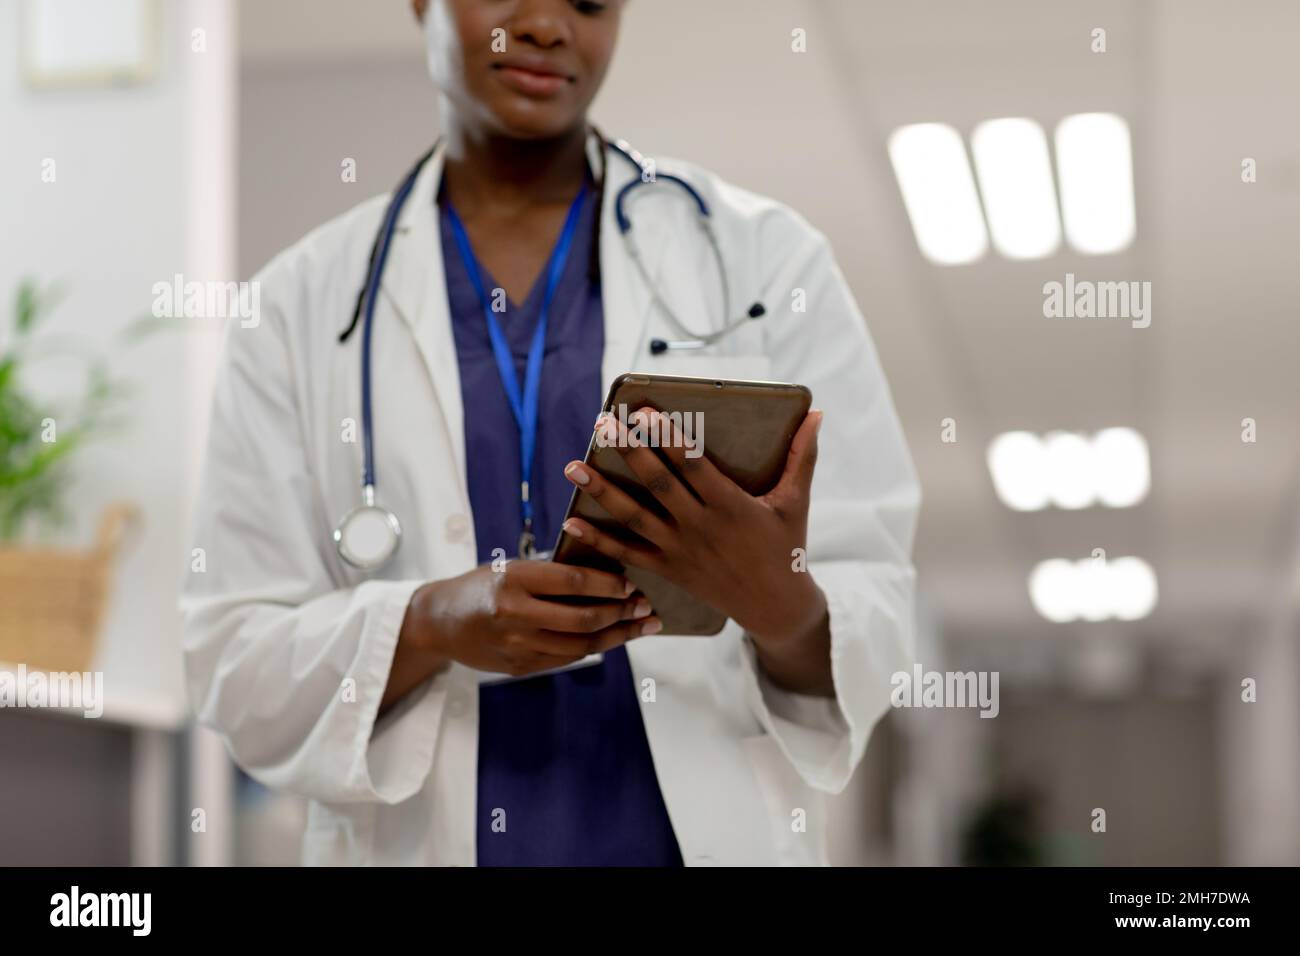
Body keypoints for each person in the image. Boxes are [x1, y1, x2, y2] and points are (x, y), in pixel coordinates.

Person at [180, 0, 919, 866]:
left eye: (589, 2)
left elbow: (875, 600)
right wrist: (423, 624)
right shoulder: (296, 308)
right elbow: (232, 662)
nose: (545, 26)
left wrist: (779, 602)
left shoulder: (768, 263)